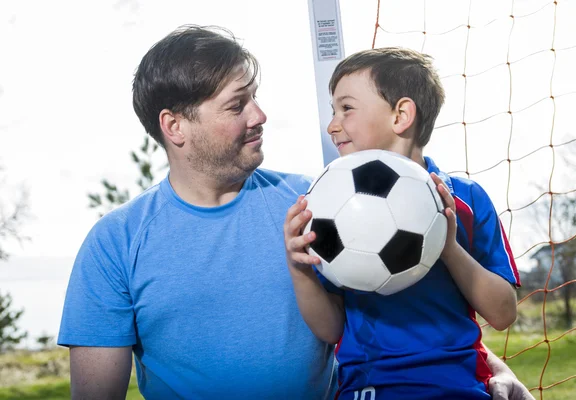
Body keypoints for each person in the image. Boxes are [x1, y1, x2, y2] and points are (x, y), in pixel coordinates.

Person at [57, 26, 532, 400]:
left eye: (255, 97)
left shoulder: (325, 203)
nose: (260, 115)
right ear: (174, 126)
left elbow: (408, 303)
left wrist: (491, 367)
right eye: (237, 105)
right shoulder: (115, 244)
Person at [284, 47, 530, 400]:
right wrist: (300, 270)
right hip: (368, 388)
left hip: (459, 386)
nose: (332, 125)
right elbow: (330, 328)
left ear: (401, 115)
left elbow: (503, 314)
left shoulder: (465, 198)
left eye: (346, 108)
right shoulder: (328, 206)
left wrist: (448, 247)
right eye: (333, 111)